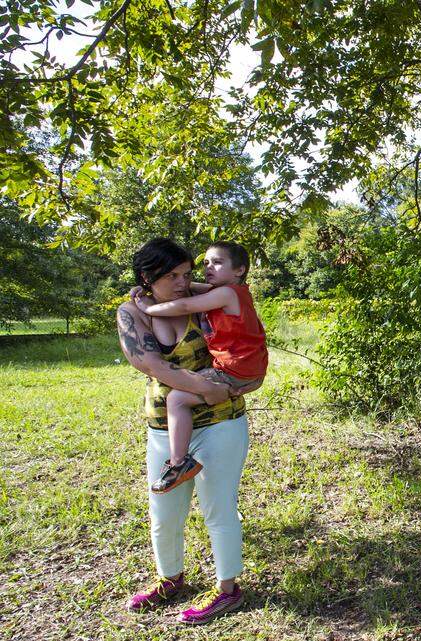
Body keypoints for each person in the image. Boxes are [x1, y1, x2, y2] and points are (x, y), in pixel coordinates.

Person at [116, 238, 257, 625]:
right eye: (173, 275)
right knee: (163, 510)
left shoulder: (205, 299)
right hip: (165, 425)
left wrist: (225, 388)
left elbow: (243, 347)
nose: (183, 282)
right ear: (148, 277)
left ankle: (228, 590)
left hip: (220, 422)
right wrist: (208, 388)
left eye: (187, 274)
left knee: (219, 508)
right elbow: (152, 366)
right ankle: (170, 580)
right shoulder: (133, 312)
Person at [131, 241, 269, 494]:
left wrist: (148, 307)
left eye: (217, 262)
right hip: (246, 366)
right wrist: (150, 289)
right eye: (205, 263)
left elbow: (183, 305)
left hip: (232, 372)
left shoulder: (224, 294)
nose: (208, 268)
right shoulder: (234, 291)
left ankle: (178, 462)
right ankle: (179, 460)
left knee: (176, 401)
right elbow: (194, 289)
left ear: (239, 270)